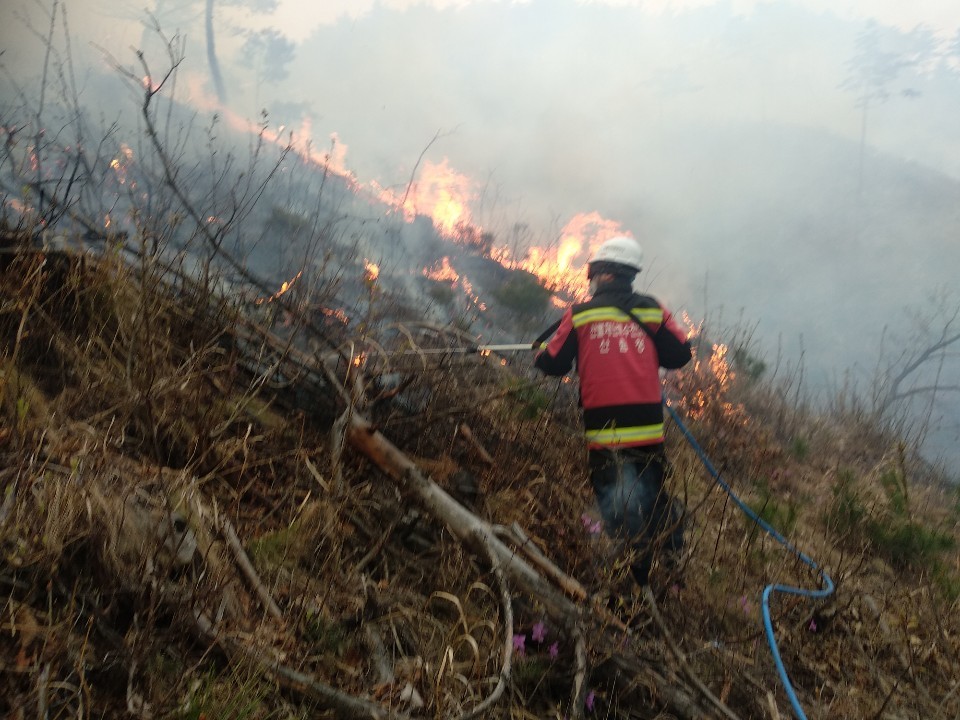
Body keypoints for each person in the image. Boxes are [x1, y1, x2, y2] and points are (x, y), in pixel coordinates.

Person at [533, 235, 692, 591]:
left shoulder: (580, 314)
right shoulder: (652, 310)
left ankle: (635, 579)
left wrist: (541, 353)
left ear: (598, 274)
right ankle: (669, 556)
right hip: (648, 430)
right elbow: (680, 354)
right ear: (630, 275)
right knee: (651, 495)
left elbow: (552, 363)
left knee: (617, 504)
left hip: (604, 432)